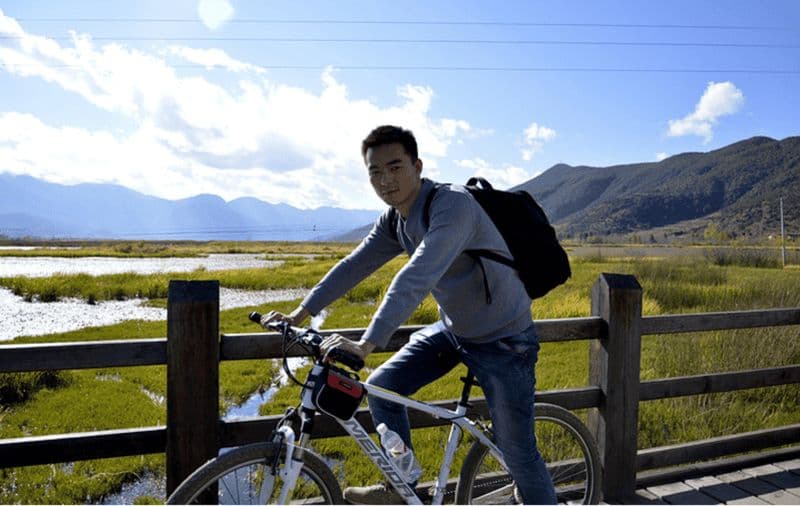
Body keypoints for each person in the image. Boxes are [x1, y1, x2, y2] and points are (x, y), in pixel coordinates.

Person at [263, 125, 556, 504]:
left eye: (395, 167)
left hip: (505, 341)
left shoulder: (453, 206)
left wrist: (367, 343)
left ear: (417, 166)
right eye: (375, 172)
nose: (386, 180)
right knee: (383, 389)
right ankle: (402, 488)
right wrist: (300, 314)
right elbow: (355, 265)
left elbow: (417, 275)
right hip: (455, 331)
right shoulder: (395, 219)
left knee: (518, 454)